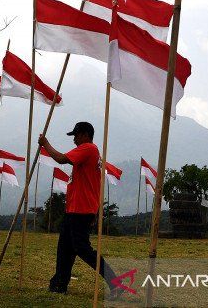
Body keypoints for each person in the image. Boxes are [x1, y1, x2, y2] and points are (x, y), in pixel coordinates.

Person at [39, 121, 118, 297]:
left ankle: (115, 281)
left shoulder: (88, 148)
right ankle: (59, 284)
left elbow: (61, 159)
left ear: (84, 134)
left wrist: (46, 144)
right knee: (65, 248)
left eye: (75, 135)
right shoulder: (90, 151)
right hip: (75, 209)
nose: (74, 139)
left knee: (82, 248)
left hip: (81, 210)